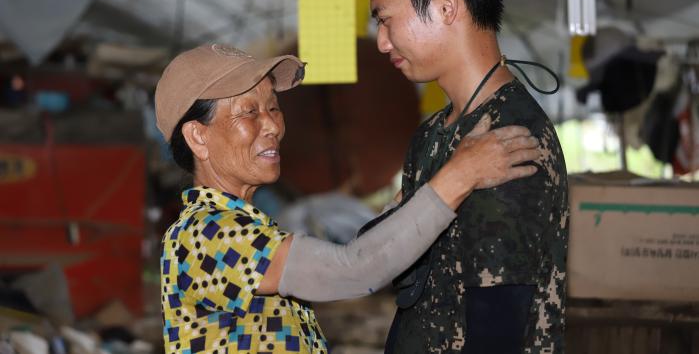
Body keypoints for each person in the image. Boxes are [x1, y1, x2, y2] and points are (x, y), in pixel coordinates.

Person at [155, 43, 541, 353]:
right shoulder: (205, 235)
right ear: (198, 137)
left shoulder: (244, 226)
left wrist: (413, 203)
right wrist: (460, 176)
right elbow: (351, 270)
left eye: (273, 106)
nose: (272, 124)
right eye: (249, 112)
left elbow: (356, 254)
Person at [358, 0, 569, 353]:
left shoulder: (510, 141)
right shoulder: (433, 134)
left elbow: (498, 327)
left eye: (386, 19)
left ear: (445, 5)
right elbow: (382, 256)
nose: (381, 41)